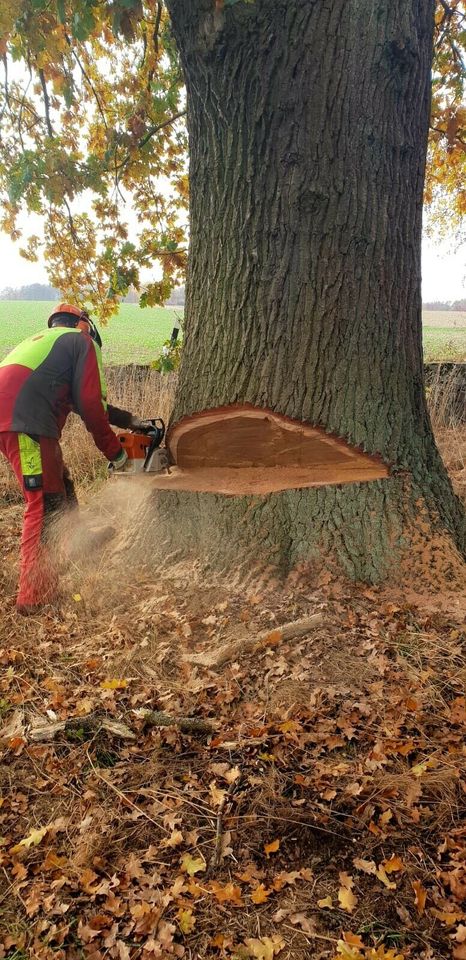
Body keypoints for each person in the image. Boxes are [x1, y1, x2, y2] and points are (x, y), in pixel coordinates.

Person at [0, 303, 150, 615]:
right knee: (43, 504)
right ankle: (33, 598)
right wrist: (118, 455)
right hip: (25, 423)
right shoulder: (81, 342)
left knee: (61, 483)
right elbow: (91, 407)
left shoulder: (46, 344)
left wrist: (133, 421)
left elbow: (89, 402)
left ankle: (75, 542)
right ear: (84, 324)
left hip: (17, 419)